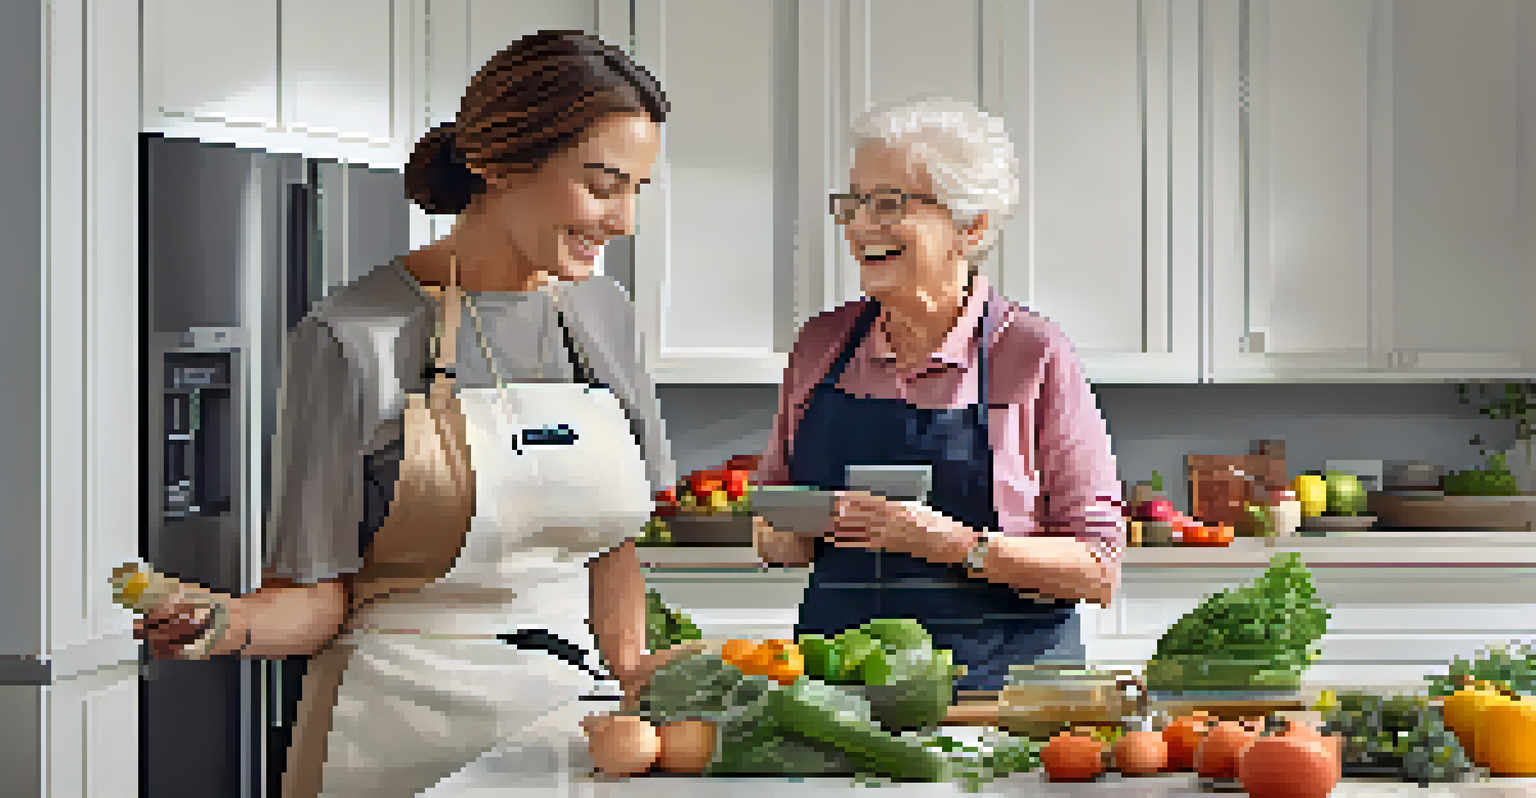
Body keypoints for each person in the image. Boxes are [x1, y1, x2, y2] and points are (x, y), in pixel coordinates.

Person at [132, 31, 688, 797]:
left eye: (637, 189)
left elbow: (611, 546)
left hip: (567, 735)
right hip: (393, 739)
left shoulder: (603, 315)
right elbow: (318, 596)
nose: (622, 220)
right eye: (601, 184)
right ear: (498, 163)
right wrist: (225, 624)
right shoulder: (352, 335)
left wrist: (634, 671)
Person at [750, 96, 1126, 693]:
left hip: (1007, 699)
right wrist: (807, 526)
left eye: (888, 204)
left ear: (971, 226)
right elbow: (773, 531)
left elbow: (1098, 569)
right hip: (838, 698)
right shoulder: (821, 345)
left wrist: (947, 543)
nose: (860, 226)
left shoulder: (1029, 353)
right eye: (852, 205)